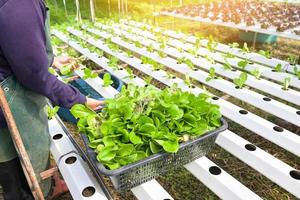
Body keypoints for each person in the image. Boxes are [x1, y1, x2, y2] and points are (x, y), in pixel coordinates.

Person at [0, 0, 103, 199]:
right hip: (9, 93)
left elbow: (13, 43)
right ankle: (37, 192)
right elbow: (35, 76)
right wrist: (78, 100)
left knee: (5, 153)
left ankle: (18, 191)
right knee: (26, 152)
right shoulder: (19, 4)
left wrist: (49, 60)